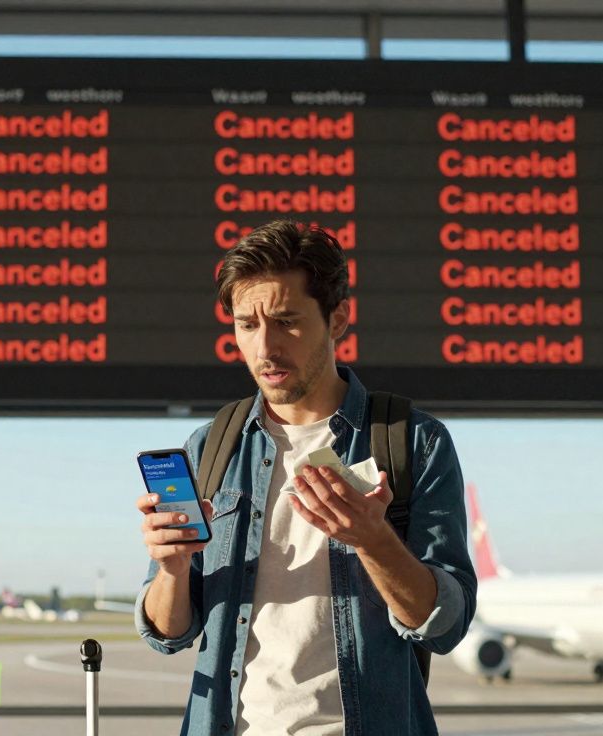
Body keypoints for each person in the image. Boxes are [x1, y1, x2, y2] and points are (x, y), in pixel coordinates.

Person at [134, 219, 476, 736]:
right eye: (247, 324)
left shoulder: (412, 441)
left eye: (287, 322)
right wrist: (172, 569)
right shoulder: (211, 447)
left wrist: (374, 541)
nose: (264, 347)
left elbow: (445, 625)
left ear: (338, 319)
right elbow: (168, 634)